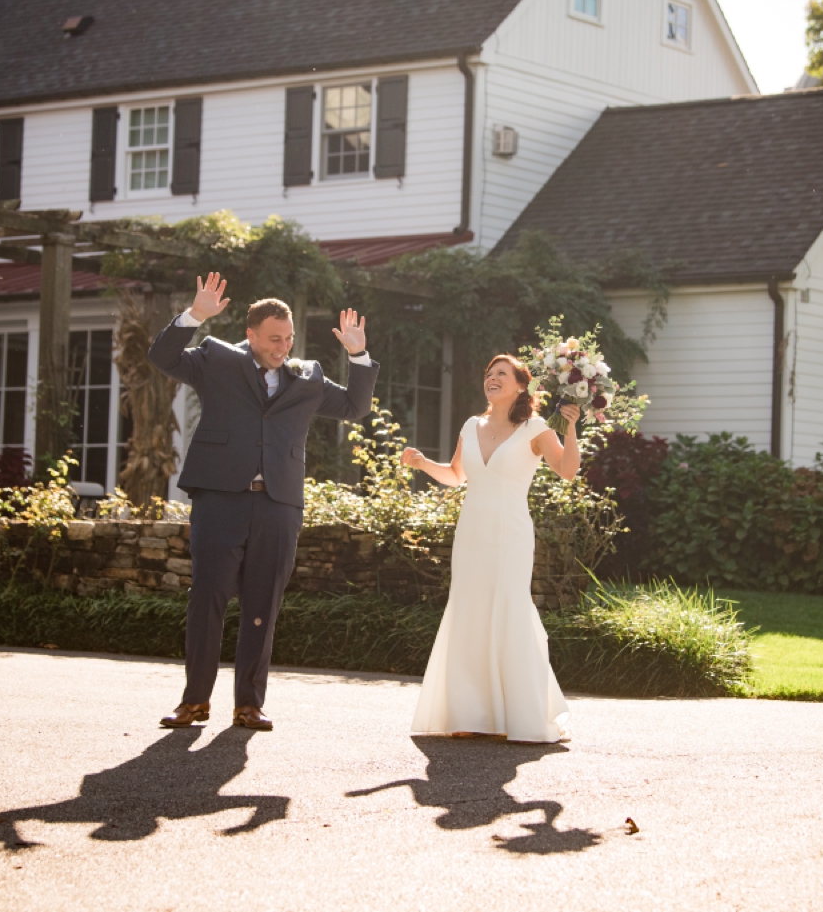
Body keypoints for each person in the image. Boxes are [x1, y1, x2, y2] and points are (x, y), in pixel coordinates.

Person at [148, 272, 379, 732]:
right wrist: (196, 315)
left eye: (288, 339)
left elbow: (356, 407)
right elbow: (162, 356)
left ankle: (248, 704)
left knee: (262, 603)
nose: (282, 347)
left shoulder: (307, 376)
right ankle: (194, 702)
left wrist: (357, 353)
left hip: (279, 505)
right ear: (250, 335)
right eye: (273, 339)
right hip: (220, 500)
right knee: (207, 597)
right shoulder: (215, 358)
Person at [399, 355, 581, 744]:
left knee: (509, 609)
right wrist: (422, 462)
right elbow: (457, 475)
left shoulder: (535, 427)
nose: (492, 379)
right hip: (472, 534)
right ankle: (470, 713)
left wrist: (570, 428)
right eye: (488, 374)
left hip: (511, 535)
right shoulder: (471, 425)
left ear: (520, 385)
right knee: (470, 611)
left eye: (502, 374)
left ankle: (523, 714)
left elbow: (566, 470)